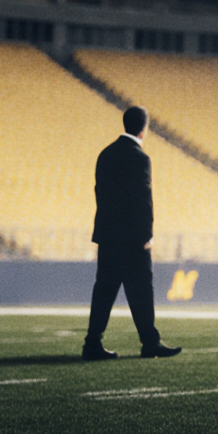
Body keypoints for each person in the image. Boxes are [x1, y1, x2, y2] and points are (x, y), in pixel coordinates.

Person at [83, 106, 181, 361]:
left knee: (104, 290)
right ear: (144, 128)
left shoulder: (105, 154)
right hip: (132, 240)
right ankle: (150, 342)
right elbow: (143, 199)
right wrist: (146, 235)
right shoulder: (140, 157)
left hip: (108, 236)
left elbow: (100, 194)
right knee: (142, 291)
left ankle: (92, 343)